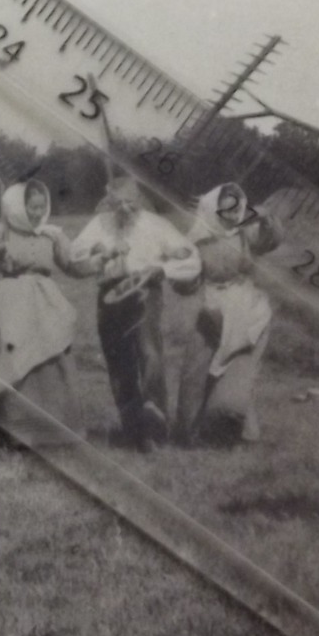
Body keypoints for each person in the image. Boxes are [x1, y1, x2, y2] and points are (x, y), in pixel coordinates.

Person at [71, 176, 200, 451]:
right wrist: (100, 253)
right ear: (109, 203)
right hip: (110, 296)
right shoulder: (100, 223)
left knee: (149, 356)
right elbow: (74, 254)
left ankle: (156, 430)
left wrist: (163, 268)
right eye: (119, 205)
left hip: (145, 293)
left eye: (131, 203)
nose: (126, 210)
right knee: (119, 363)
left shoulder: (156, 225)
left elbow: (191, 257)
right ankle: (133, 430)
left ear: (139, 201)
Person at [0, 180, 89, 449]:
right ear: (18, 209)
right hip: (13, 299)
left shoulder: (52, 234)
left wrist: (101, 261)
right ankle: (11, 430)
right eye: (32, 208)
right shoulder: (4, 231)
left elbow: (73, 265)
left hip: (46, 301)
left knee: (51, 360)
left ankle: (52, 431)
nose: (37, 213)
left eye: (41, 207)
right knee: (14, 363)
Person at [172, 182, 280, 447]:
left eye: (237, 209)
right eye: (226, 210)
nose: (232, 216)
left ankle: (241, 433)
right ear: (213, 209)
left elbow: (271, 241)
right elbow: (185, 284)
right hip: (211, 305)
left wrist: (267, 220)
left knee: (238, 369)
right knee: (196, 367)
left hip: (245, 304)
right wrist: (181, 271)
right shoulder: (197, 239)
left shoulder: (245, 234)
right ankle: (188, 432)